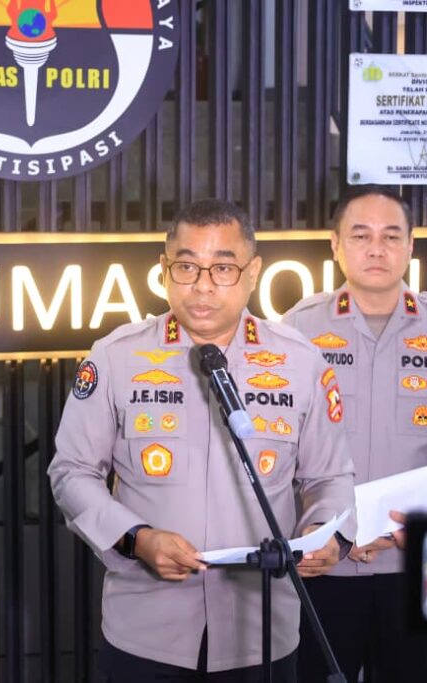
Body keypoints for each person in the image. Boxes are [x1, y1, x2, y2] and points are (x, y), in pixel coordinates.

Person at [48, 199, 356, 682]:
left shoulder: (301, 362)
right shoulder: (115, 357)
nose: (203, 285)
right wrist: (135, 538)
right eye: (187, 266)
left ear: (253, 273)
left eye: (223, 268)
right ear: (164, 270)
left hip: (261, 630)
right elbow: (71, 472)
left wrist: (328, 535)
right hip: (146, 629)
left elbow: (331, 476)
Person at [281, 185, 427, 683]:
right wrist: (317, 530)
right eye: (360, 235)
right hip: (323, 569)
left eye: (390, 236)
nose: (376, 249)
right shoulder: (298, 329)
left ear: (410, 246)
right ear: (335, 244)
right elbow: (272, 446)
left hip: (412, 568)